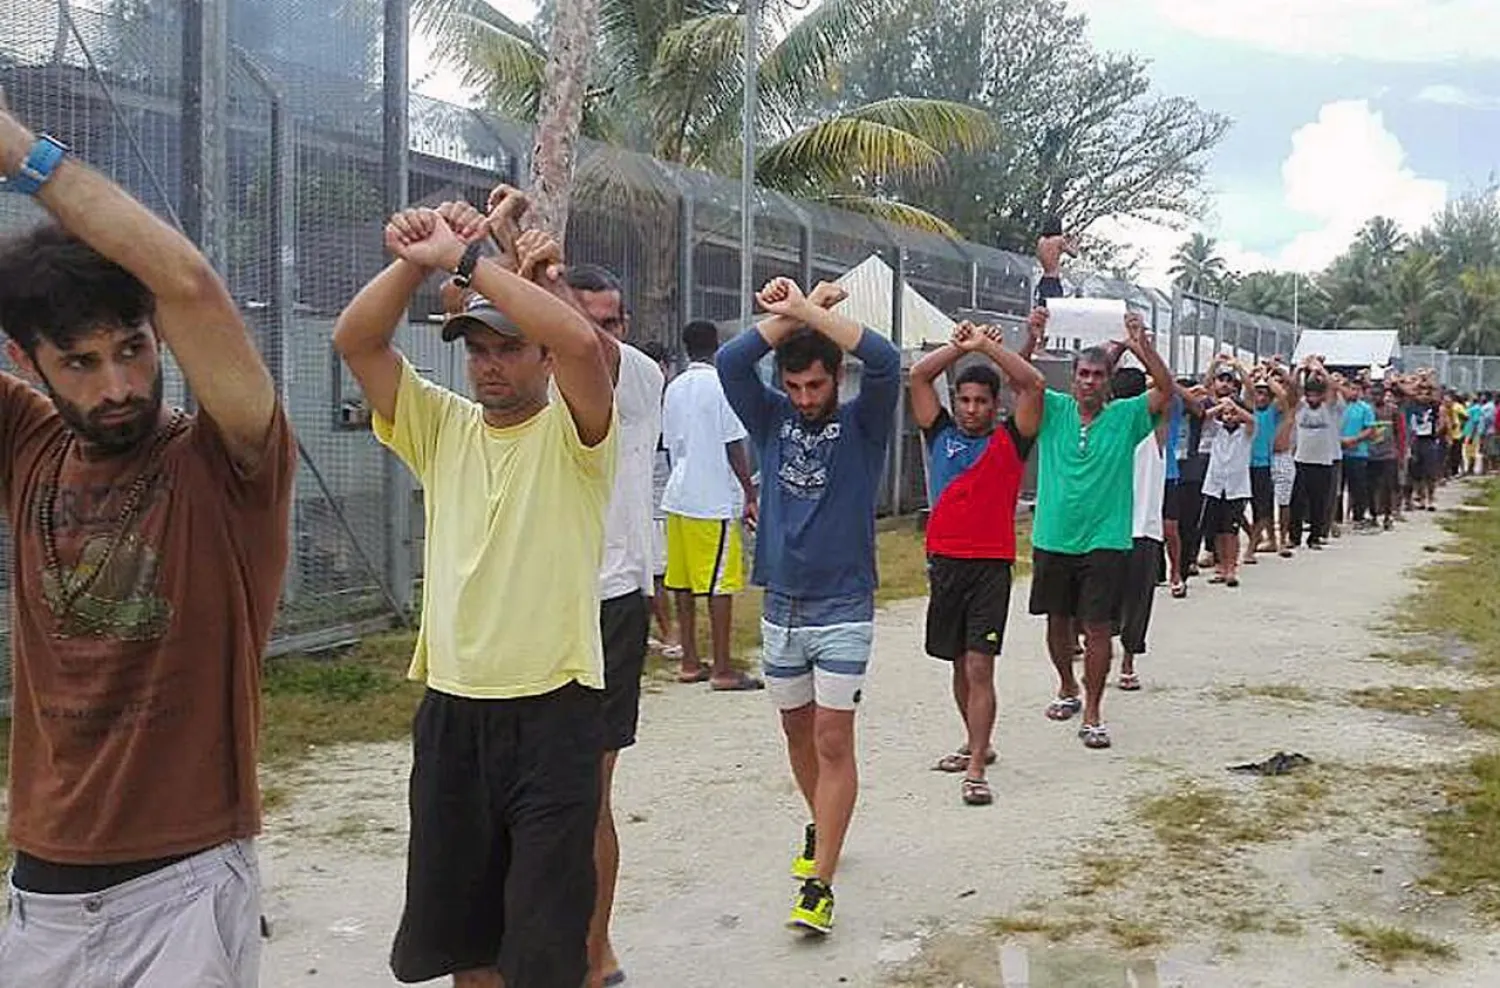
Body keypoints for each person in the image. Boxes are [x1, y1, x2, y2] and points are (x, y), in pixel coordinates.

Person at [0, 107, 294, 988]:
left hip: (182, 889)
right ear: (26, 361)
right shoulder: (25, 444)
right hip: (41, 893)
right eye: (81, 363)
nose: (120, 384)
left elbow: (191, 285)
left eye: (133, 348)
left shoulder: (229, 459)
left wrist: (22, 155)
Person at [334, 204, 618, 988]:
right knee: (466, 942)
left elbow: (581, 343)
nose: (490, 365)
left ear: (542, 359)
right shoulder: (443, 427)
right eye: (477, 350)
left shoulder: (577, 434)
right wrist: (418, 259)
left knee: (544, 948)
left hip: (554, 713)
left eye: (509, 348)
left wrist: (466, 261)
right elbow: (356, 341)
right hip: (455, 711)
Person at [717, 276, 899, 935]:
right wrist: (798, 316)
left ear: (835, 379)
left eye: (815, 386)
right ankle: (822, 823)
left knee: (831, 737)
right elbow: (731, 362)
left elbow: (886, 360)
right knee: (795, 732)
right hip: (782, 604)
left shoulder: (862, 422)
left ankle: (819, 885)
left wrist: (807, 313)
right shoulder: (770, 418)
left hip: (844, 604)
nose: (804, 398)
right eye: (793, 387)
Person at [556, 261, 666, 988]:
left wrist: (538, 280)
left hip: (611, 603)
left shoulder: (639, 376)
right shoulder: (539, 379)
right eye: (586, 316)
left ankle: (596, 952)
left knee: (589, 793)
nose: (600, 331)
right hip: (540, 602)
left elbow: (588, 351)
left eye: (612, 319)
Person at [1020, 311, 1174, 751]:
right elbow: (1019, 379)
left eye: (1098, 375)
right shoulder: (1054, 408)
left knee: (1099, 626)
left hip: (1106, 539)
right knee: (1057, 621)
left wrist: (1143, 347)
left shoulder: (1126, 416)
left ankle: (1092, 711)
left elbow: (1165, 391)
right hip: (1054, 535)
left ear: (1109, 381)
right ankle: (1067, 686)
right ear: (1073, 379)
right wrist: (1031, 339)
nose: (1089, 381)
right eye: (1083, 374)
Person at [908, 316, 1044, 807]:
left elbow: (1034, 384)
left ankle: (976, 768)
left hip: (989, 566)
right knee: (958, 664)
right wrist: (959, 347)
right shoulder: (939, 433)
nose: (971, 409)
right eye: (964, 400)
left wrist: (987, 347)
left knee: (980, 665)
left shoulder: (1011, 439)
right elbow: (919, 376)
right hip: (945, 563)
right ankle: (975, 742)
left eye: (981, 401)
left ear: (995, 405)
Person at [660, 319, 761, 690]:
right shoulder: (721, 385)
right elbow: (733, 443)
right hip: (711, 498)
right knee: (720, 584)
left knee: (683, 583)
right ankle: (722, 668)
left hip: (677, 495)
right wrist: (749, 492)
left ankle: (689, 662)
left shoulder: (673, 387)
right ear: (717, 345)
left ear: (686, 347)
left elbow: (669, 443)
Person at [1115, 366, 1171, 691]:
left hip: (1127, 527)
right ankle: (1127, 662)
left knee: (1111, 597)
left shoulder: (1145, 428)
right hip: (1137, 529)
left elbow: (1164, 393)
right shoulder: (1153, 431)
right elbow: (1165, 391)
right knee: (1137, 602)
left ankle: (1121, 658)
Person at [637, 339, 681, 655]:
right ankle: (668, 634)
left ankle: (664, 632)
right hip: (650, 502)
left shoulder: (670, 403)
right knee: (654, 573)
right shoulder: (640, 406)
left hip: (670, 499)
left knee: (662, 573)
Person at [1199, 390, 1256, 587]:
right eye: (1226, 414)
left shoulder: (1246, 432)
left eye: (1233, 414)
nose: (1229, 417)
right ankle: (1220, 567)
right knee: (1216, 530)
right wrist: (1222, 406)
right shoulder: (1216, 429)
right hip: (1215, 486)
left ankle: (1231, 568)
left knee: (1231, 531)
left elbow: (1251, 420)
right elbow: (1204, 417)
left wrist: (1235, 406)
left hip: (1236, 488)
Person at [1289, 358, 1343, 551]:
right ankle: (1294, 537)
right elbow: (1292, 390)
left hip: (1322, 461)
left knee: (1319, 501)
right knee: (1297, 501)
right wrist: (1298, 370)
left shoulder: (1328, 407)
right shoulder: (1301, 405)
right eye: (1309, 394)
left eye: (1316, 395)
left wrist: (1321, 370)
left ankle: (1315, 537)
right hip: (1301, 460)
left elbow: (1333, 388)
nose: (1312, 399)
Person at [1245, 371, 1281, 564]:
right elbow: (1247, 392)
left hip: (1264, 465)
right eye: (1258, 393)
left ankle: (1250, 549)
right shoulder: (1248, 411)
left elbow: (1282, 396)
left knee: (1262, 508)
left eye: (1264, 394)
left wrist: (1268, 378)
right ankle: (1257, 535)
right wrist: (1248, 375)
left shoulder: (1272, 412)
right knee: (1240, 508)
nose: (1260, 397)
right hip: (1245, 464)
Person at [1340, 378, 1377, 531]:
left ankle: (1358, 517)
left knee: (1358, 487)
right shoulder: (1339, 406)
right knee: (1337, 487)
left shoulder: (1365, 408)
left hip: (1358, 452)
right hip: (1337, 452)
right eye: (1351, 389)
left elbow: (1370, 429)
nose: (1353, 392)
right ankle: (1336, 518)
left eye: (1357, 389)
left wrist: (1354, 439)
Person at [1404, 375, 1442, 511]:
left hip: (1429, 439)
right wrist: (1419, 381)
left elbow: (1437, 392)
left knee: (1430, 472)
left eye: (1427, 393)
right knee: (1415, 472)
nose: (1424, 396)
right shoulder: (1411, 405)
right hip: (1414, 439)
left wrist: (1429, 379)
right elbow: (1407, 391)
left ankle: (1430, 499)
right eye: (1421, 393)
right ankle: (1418, 498)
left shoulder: (1434, 406)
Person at [1369, 385, 1401, 531]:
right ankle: (1373, 514)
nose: (1376, 397)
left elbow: (1398, 431)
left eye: (1378, 395)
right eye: (1373, 395)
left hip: (1388, 453)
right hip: (1371, 453)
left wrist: (1399, 450)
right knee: (1371, 486)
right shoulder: (1368, 410)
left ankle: (1388, 515)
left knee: (1388, 486)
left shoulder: (1392, 410)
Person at [1035, 216, 1078, 307]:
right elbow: (1074, 254)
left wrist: (1066, 239)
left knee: (1042, 308)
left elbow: (1052, 252)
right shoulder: (1059, 240)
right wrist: (1075, 241)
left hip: (1044, 280)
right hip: (1053, 281)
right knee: (1056, 309)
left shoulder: (1041, 241)